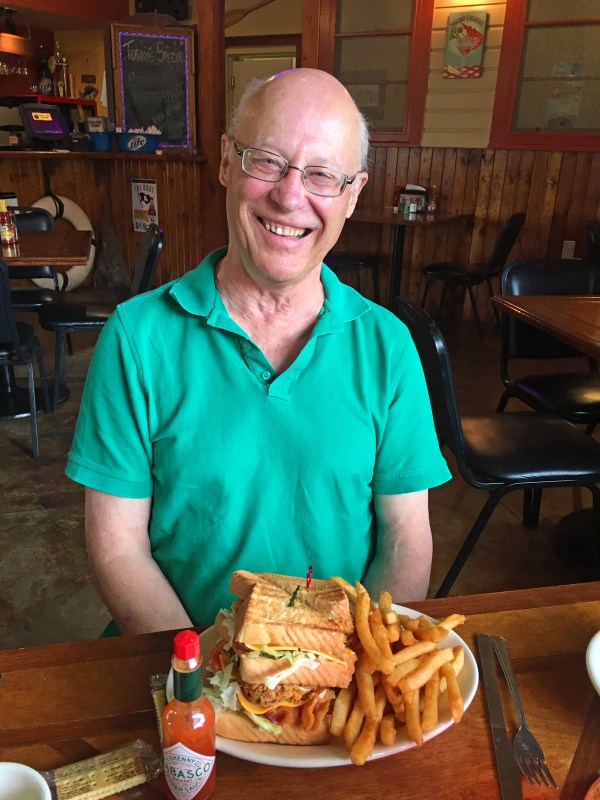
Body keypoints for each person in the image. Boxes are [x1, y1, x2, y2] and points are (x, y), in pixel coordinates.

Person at [66, 68, 450, 635]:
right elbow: (118, 551)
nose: (290, 196)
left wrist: (341, 664)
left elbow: (405, 538)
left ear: (353, 195)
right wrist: (205, 679)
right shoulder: (137, 337)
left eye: (322, 175)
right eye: (267, 160)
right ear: (226, 161)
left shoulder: (387, 346)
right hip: (176, 664)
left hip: (333, 676)